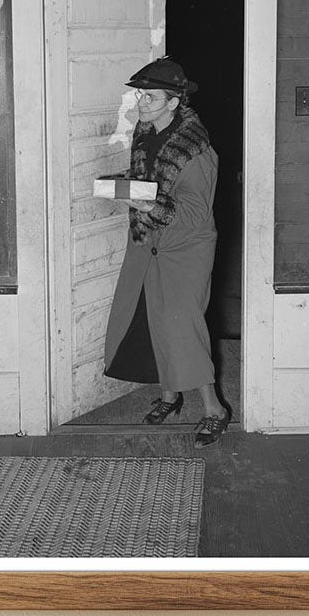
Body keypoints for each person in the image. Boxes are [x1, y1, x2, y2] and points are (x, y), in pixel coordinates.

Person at [103, 57, 231, 447]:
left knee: (181, 325)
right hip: (148, 243)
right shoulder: (145, 133)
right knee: (148, 318)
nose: (142, 102)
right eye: (140, 94)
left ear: (174, 101)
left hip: (185, 248)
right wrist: (122, 186)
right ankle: (170, 397)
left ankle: (214, 410)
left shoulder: (197, 150)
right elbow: (149, 184)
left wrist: (147, 204)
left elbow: (194, 213)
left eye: (151, 96)